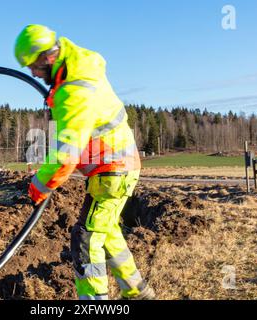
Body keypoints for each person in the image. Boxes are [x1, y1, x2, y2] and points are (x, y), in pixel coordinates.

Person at [14, 24, 155, 300]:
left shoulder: (74, 91)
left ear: (48, 57)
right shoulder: (78, 67)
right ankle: (138, 291)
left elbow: (67, 154)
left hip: (113, 170)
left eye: (34, 66)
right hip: (118, 166)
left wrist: (40, 184)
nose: (32, 73)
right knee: (106, 229)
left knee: (87, 237)